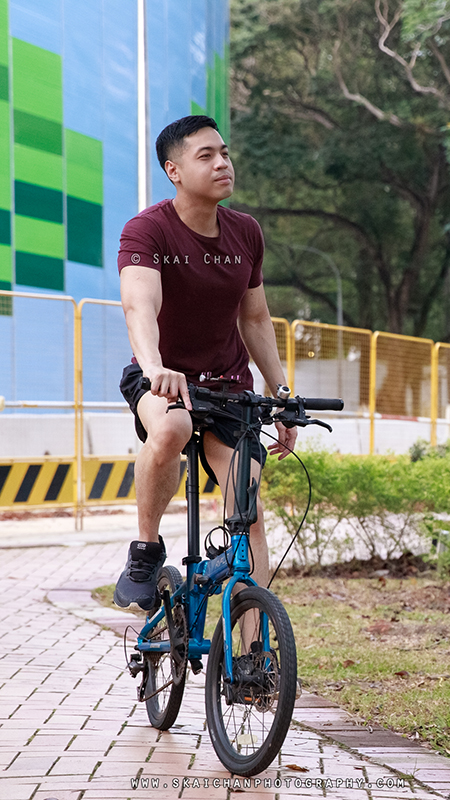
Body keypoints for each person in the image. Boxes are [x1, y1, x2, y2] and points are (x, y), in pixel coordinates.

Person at [114, 115, 297, 611]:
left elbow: (255, 320)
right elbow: (139, 306)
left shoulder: (245, 233)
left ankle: (254, 659)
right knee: (170, 429)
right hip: (161, 376)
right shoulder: (147, 230)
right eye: (206, 156)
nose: (222, 164)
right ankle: (146, 551)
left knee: (247, 510)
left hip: (227, 386)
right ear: (173, 170)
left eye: (225, 153)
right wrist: (154, 369)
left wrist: (281, 396)